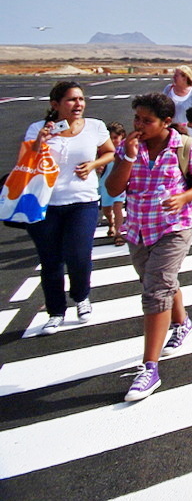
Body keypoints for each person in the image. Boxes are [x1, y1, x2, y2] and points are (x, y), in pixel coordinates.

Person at [106, 92, 192, 402]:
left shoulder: (184, 147)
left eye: (147, 120)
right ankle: (182, 321)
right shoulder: (129, 148)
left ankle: (149, 368)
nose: (139, 125)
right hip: (139, 229)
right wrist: (128, 157)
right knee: (157, 281)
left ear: (166, 122)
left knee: (156, 290)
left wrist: (184, 197)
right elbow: (113, 188)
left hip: (174, 227)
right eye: (136, 118)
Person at [14, 81, 117, 334]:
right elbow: (25, 162)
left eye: (81, 99)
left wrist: (93, 165)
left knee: (79, 255)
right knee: (50, 261)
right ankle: (55, 312)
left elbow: (110, 152)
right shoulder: (37, 128)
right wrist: (40, 141)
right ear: (55, 104)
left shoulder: (95, 126)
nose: (78, 104)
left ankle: (81, 296)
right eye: (71, 100)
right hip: (45, 204)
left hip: (83, 201)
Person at [98, 122, 128, 245]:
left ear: (122, 136)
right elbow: (97, 163)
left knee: (117, 207)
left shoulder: (126, 149)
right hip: (105, 183)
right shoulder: (103, 150)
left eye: (116, 137)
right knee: (106, 209)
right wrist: (99, 167)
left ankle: (118, 233)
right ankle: (111, 223)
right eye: (110, 138)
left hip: (120, 183)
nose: (113, 141)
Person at [163, 66, 192, 132]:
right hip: (170, 130)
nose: (173, 77)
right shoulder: (168, 89)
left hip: (186, 131)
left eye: (176, 75)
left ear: (185, 78)